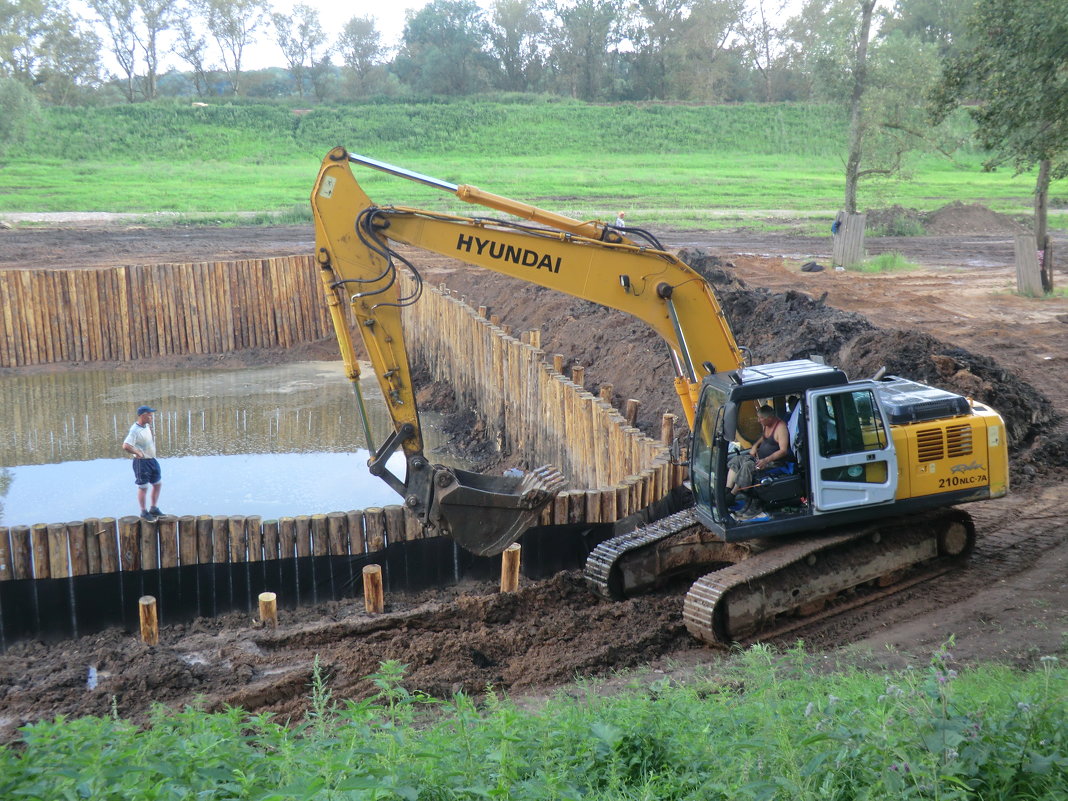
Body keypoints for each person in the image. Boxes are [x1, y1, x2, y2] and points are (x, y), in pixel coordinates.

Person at [726, 404, 791, 511]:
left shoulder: (781, 428)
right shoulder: (766, 424)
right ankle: (727, 490)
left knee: (748, 466)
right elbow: (763, 437)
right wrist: (755, 446)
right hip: (759, 458)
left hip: (773, 463)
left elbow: (783, 451)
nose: (758, 420)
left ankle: (732, 495)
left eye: (761, 418)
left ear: (769, 418)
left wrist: (766, 460)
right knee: (737, 460)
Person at [123, 404, 163, 522]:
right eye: (149, 415)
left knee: (157, 483)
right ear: (143, 415)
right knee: (143, 487)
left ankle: (154, 508)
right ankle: (143, 511)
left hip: (152, 460)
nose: (151, 417)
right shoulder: (134, 430)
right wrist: (137, 452)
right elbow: (126, 445)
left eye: (151, 415)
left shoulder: (146, 426)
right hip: (142, 463)